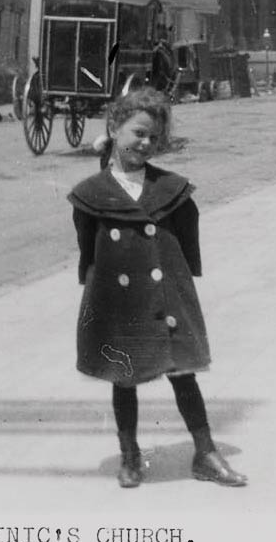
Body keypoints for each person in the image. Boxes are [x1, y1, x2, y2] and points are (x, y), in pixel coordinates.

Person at [69, 86, 247, 489]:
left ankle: (205, 452)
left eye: (153, 137)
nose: (145, 143)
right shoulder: (91, 194)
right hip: (120, 299)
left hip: (165, 294)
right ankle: (130, 456)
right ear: (114, 128)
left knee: (183, 373)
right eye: (138, 133)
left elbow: (186, 243)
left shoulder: (172, 188)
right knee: (124, 375)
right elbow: (88, 252)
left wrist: (179, 283)